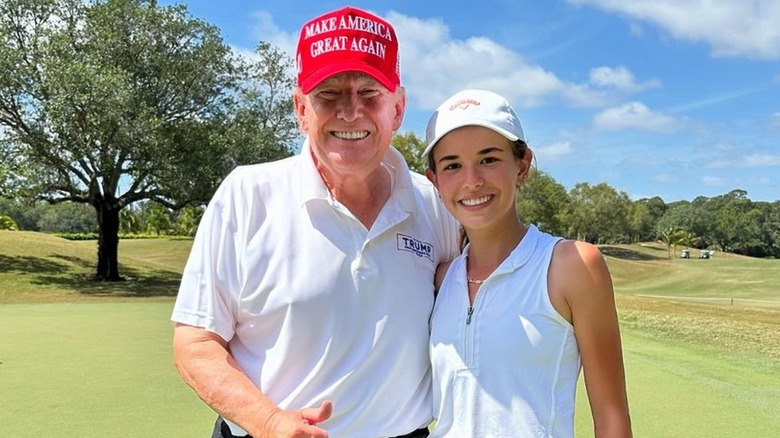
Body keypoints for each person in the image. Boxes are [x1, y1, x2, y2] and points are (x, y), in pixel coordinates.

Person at [171, 6, 459, 438]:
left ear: (397, 109)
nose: (350, 111)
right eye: (328, 94)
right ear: (301, 109)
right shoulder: (247, 195)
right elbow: (195, 342)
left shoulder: (435, 202)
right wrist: (268, 422)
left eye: (369, 93)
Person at [422, 89, 632, 437]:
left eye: (489, 159)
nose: (471, 180)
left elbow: (612, 420)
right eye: (453, 165)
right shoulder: (443, 278)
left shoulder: (572, 265)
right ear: (435, 181)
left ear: (522, 165)